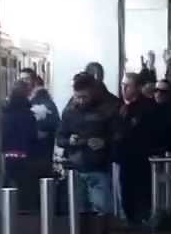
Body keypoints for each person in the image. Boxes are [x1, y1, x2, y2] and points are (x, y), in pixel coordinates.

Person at [58, 74, 118, 215]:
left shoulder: (106, 110)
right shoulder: (69, 112)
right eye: (77, 97)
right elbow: (60, 138)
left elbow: (119, 135)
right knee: (77, 213)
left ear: (92, 93)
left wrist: (104, 142)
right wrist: (69, 141)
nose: (80, 101)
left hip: (98, 168)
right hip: (75, 168)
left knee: (102, 211)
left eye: (84, 97)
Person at [116, 71, 161, 223]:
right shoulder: (118, 106)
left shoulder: (148, 107)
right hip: (123, 159)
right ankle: (130, 220)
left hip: (142, 158)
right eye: (123, 85)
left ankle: (142, 222)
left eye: (128, 86)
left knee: (142, 194)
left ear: (138, 87)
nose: (124, 89)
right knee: (126, 193)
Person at [1, 81, 39, 204]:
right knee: (25, 190)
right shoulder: (29, 115)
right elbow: (33, 137)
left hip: (7, 156)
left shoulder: (5, 114)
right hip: (25, 156)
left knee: (8, 187)